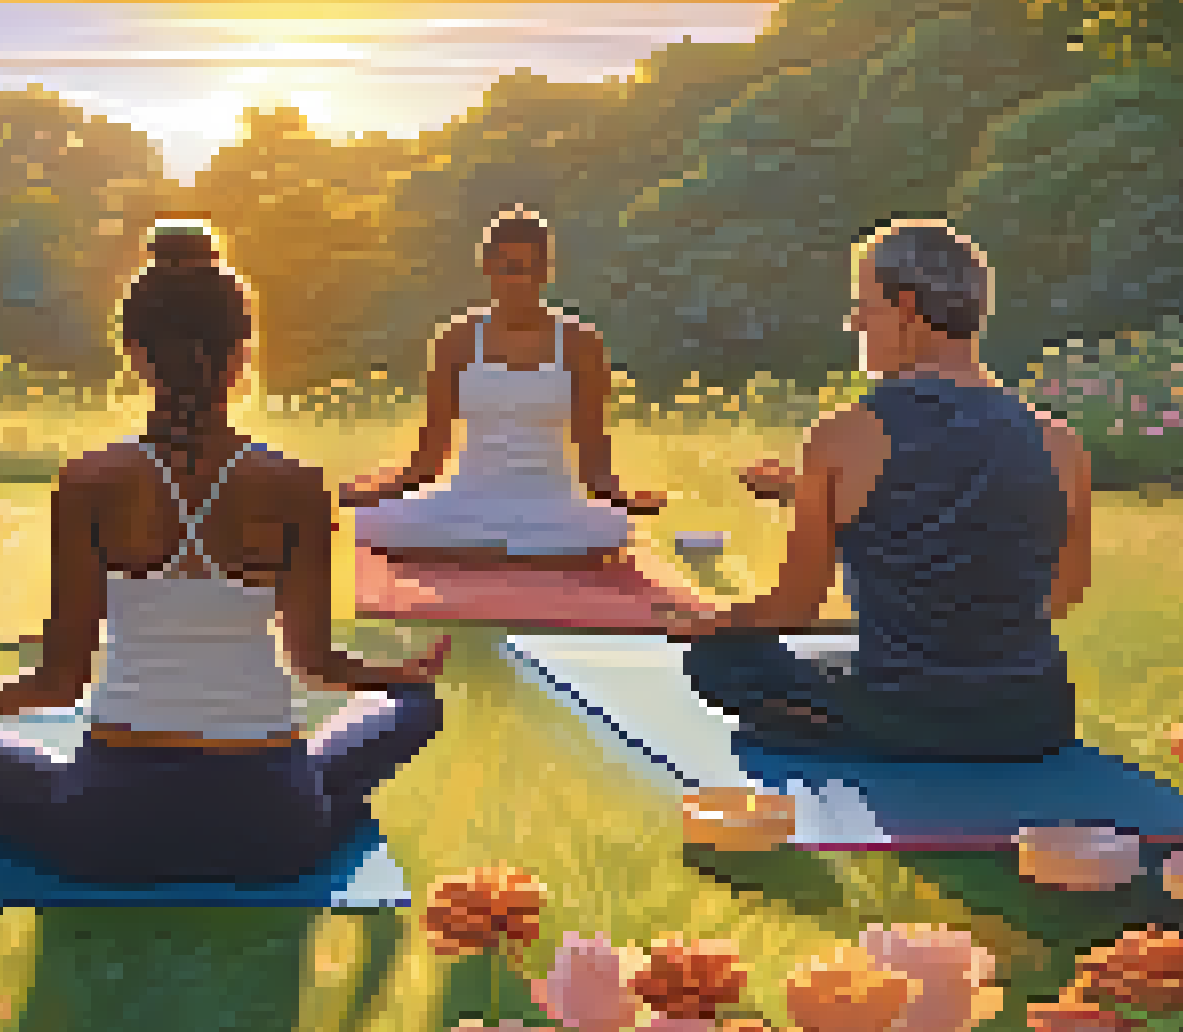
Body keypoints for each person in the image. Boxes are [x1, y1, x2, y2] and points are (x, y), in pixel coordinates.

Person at [0, 220, 451, 884]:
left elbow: (58, 682)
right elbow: (317, 663)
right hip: (273, 829)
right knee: (415, 710)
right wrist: (400, 678)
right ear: (243, 355)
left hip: (110, 827)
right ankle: (326, 803)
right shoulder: (295, 485)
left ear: (134, 352)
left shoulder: (89, 481)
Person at [667, 219, 1094, 760]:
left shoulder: (847, 431)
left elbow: (795, 607)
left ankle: (843, 728)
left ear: (908, 308)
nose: (854, 323)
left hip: (905, 711)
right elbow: (1063, 594)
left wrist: (712, 621)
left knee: (720, 661)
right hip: (1032, 720)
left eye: (864, 305)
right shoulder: (1060, 441)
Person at [345, 208, 663, 566]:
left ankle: (485, 551)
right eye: (510, 269)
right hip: (468, 501)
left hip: (551, 506)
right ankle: (526, 553)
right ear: (489, 270)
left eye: (531, 270)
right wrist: (378, 488)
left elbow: (594, 465)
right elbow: (430, 461)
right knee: (368, 522)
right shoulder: (457, 338)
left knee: (614, 527)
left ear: (546, 272)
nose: (520, 281)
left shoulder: (580, 343)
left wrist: (625, 499)